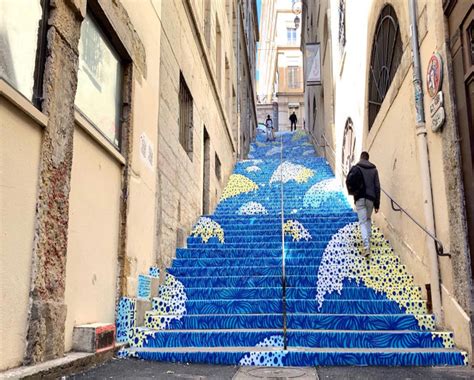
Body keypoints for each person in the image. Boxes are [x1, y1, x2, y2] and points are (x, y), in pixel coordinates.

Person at [346, 151, 381, 257]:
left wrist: (354, 194)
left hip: (360, 198)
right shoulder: (374, 170)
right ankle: (368, 241)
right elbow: (377, 187)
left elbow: (349, 181)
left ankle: (366, 247)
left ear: (361, 158)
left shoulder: (356, 168)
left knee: (362, 222)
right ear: (368, 158)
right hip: (371, 199)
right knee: (368, 219)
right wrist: (377, 204)